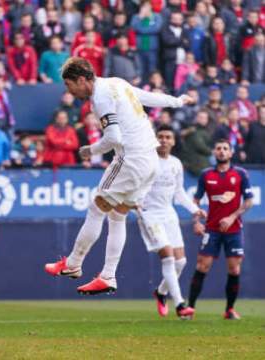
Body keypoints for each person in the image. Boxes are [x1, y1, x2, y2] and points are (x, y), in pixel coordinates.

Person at [45, 57, 195, 295]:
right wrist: (177, 101)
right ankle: (108, 275)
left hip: (131, 159)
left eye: (68, 84)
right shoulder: (116, 83)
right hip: (150, 160)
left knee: (96, 208)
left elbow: (114, 138)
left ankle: (73, 264)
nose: (68, 90)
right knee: (117, 215)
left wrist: (89, 150)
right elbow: (147, 97)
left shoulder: (101, 97)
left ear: (82, 80)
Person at [138, 125, 206, 319]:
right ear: (155, 139)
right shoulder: (147, 161)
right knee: (168, 257)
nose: (164, 140)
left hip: (169, 214)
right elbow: (135, 184)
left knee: (181, 262)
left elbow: (179, 193)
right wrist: (135, 203)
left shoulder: (176, 163)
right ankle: (180, 305)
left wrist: (195, 209)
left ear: (174, 141)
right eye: (161, 137)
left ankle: (161, 292)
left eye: (168, 137)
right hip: (150, 214)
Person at [188, 139, 254, 320]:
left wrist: (232, 217)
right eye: (218, 148)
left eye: (225, 148)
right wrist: (196, 221)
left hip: (234, 229)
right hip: (211, 229)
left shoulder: (241, 174)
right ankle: (189, 309)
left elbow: (248, 201)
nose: (222, 151)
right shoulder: (206, 175)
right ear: (214, 153)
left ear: (231, 153)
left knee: (234, 269)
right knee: (202, 266)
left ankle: (229, 310)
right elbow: (195, 201)